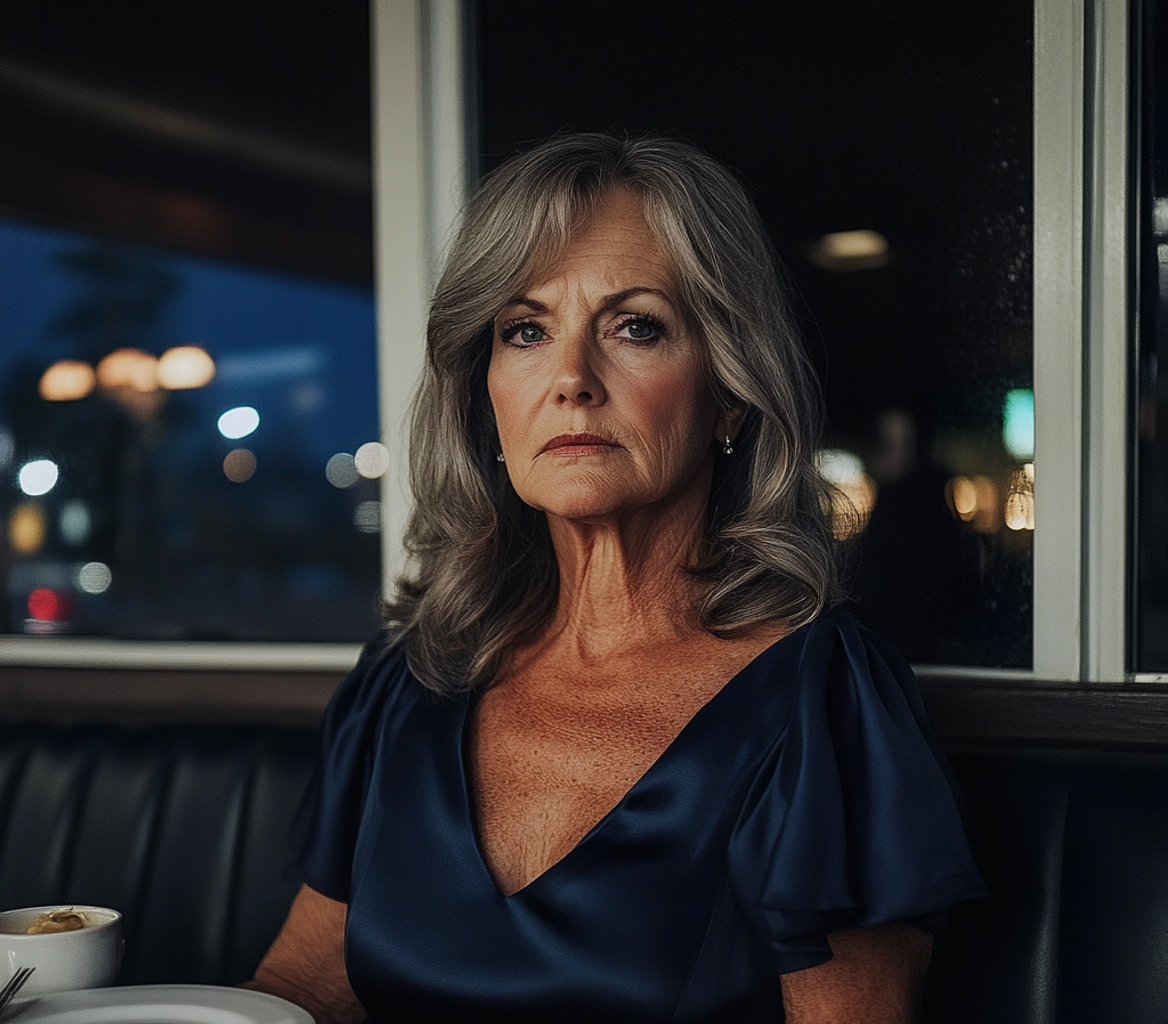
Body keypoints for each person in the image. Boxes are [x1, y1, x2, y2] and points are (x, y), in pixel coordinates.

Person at [247, 132, 986, 1023]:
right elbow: (296, 992)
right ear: (486, 396)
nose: (570, 379)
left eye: (636, 326)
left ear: (730, 391)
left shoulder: (821, 706)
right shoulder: (410, 681)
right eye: (525, 331)